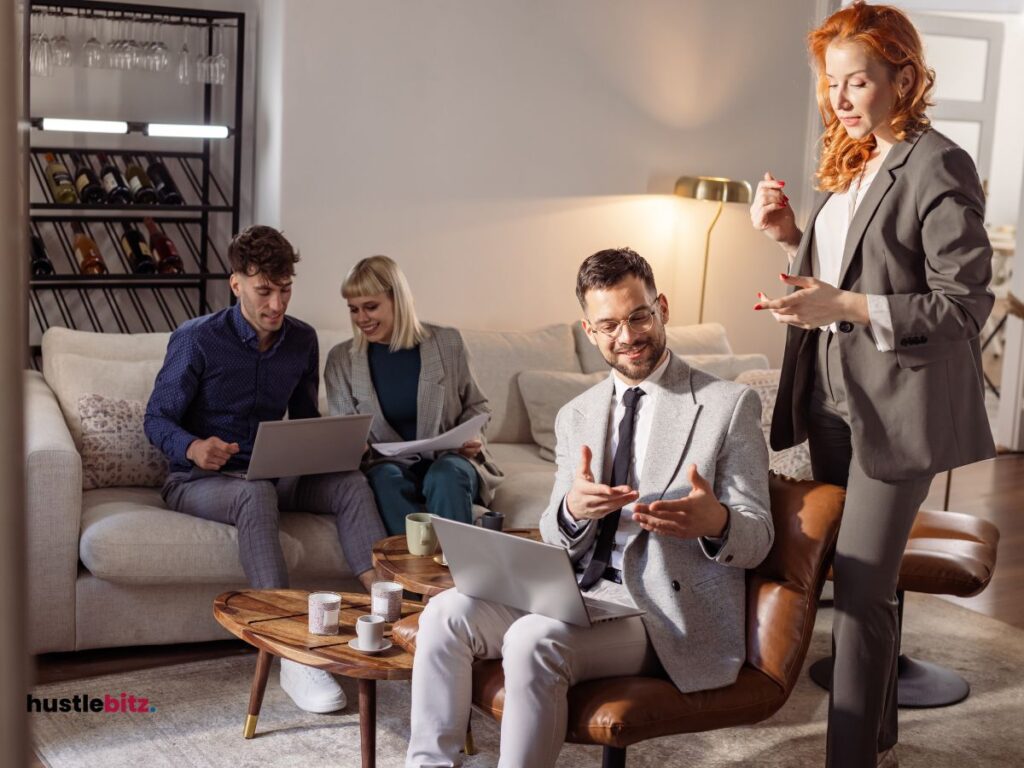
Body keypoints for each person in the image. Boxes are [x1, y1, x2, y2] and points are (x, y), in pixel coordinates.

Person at [405, 248, 774, 768]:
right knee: (444, 612)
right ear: (589, 330)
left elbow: (757, 536)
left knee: (534, 639)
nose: (627, 337)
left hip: (662, 613)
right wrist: (573, 511)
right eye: (609, 325)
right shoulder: (576, 414)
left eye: (639, 315)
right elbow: (557, 539)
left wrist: (716, 523)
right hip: (577, 592)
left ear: (662, 307)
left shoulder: (725, 405)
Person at [749, 4, 995, 766]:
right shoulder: (856, 161)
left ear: (903, 78)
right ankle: (877, 738)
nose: (843, 98)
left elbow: (963, 305)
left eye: (859, 81)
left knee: (857, 589)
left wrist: (846, 305)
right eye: (834, 84)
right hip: (830, 402)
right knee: (863, 582)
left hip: (896, 413)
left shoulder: (937, 163)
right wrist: (790, 233)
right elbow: (854, 267)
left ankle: (847, 756)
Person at [144, 225, 387, 715]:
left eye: (285, 290)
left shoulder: (301, 340)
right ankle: (292, 653)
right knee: (254, 494)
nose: (277, 304)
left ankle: (385, 612)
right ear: (237, 284)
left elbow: (303, 420)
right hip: (198, 480)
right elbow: (155, 419)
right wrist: (193, 448)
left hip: (272, 470)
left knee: (349, 483)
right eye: (264, 291)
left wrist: (336, 448)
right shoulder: (196, 340)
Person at [324, 255, 503, 536]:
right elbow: (343, 428)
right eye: (354, 309)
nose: (362, 319)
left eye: (371, 307)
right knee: (384, 479)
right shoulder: (340, 360)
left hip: (450, 458)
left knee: (446, 475)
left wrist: (474, 437)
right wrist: (350, 446)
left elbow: (477, 406)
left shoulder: (447, 343)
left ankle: (458, 571)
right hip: (386, 465)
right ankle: (412, 574)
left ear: (398, 300)